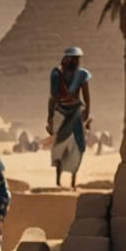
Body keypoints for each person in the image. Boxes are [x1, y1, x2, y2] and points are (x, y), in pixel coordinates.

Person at [48, 46, 92, 188]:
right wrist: (50, 117)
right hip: (62, 114)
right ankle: (60, 181)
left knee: (76, 147)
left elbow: (86, 96)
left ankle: (71, 182)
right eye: (75, 59)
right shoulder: (57, 74)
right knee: (61, 148)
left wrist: (86, 113)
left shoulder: (81, 74)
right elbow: (53, 97)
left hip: (72, 114)